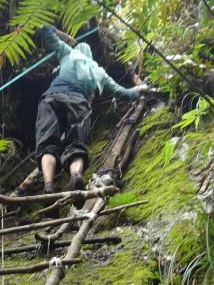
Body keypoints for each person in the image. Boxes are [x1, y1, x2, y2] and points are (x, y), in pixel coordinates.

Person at [33, 24, 149, 205]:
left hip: (51, 98)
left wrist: (67, 38)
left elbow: (46, 29)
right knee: (76, 143)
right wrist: (139, 88)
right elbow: (123, 93)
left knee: (48, 143)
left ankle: (48, 185)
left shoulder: (68, 53)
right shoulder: (99, 72)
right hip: (79, 102)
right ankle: (76, 174)